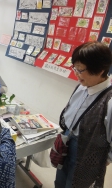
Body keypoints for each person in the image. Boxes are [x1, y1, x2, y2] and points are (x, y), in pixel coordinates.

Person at [55, 41, 112, 188]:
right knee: (60, 182)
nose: (76, 74)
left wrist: (98, 162)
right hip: (69, 140)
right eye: (75, 68)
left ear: (100, 70)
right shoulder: (82, 86)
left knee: (75, 184)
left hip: (88, 154)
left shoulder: (109, 100)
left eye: (80, 70)